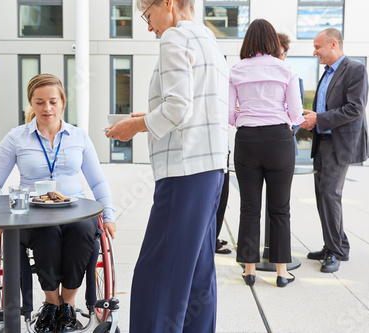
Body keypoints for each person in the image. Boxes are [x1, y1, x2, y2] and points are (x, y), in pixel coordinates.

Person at [106, 0, 229, 331]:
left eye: (148, 15)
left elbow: (177, 108)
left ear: (168, 3)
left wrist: (135, 126)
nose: (148, 26)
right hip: (213, 168)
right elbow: (196, 107)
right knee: (198, 271)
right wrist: (145, 118)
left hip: (184, 169)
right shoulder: (210, 42)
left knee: (156, 272)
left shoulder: (175, 38)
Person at [0, 73, 116, 332]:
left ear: (62, 102)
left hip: (76, 210)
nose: (47, 108)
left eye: (53, 101)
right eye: (39, 102)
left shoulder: (79, 137)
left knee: (82, 231)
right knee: (46, 233)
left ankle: (67, 304)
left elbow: (98, 183)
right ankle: (51, 301)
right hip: (32, 214)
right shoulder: (16, 137)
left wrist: (109, 215)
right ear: (31, 104)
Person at [229, 19, 304, 288]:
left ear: (248, 41)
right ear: (273, 42)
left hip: (247, 140)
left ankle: (249, 270)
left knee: (249, 208)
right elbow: (296, 113)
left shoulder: (236, 70)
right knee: (280, 209)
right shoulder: (285, 69)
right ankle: (281, 272)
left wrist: (248, 115)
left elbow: (228, 114)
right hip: (279, 141)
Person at [300, 28, 369, 273]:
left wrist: (319, 119)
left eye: (318, 47)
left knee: (330, 195)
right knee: (322, 196)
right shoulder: (327, 73)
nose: (314, 52)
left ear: (333, 44)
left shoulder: (355, 69)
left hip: (339, 144)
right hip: (323, 142)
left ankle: (335, 252)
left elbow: (355, 109)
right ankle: (338, 244)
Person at [278, 32, 304, 156]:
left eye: (278, 55)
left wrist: (292, 128)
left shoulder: (295, 80)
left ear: (285, 54)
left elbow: (299, 111)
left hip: (287, 139)